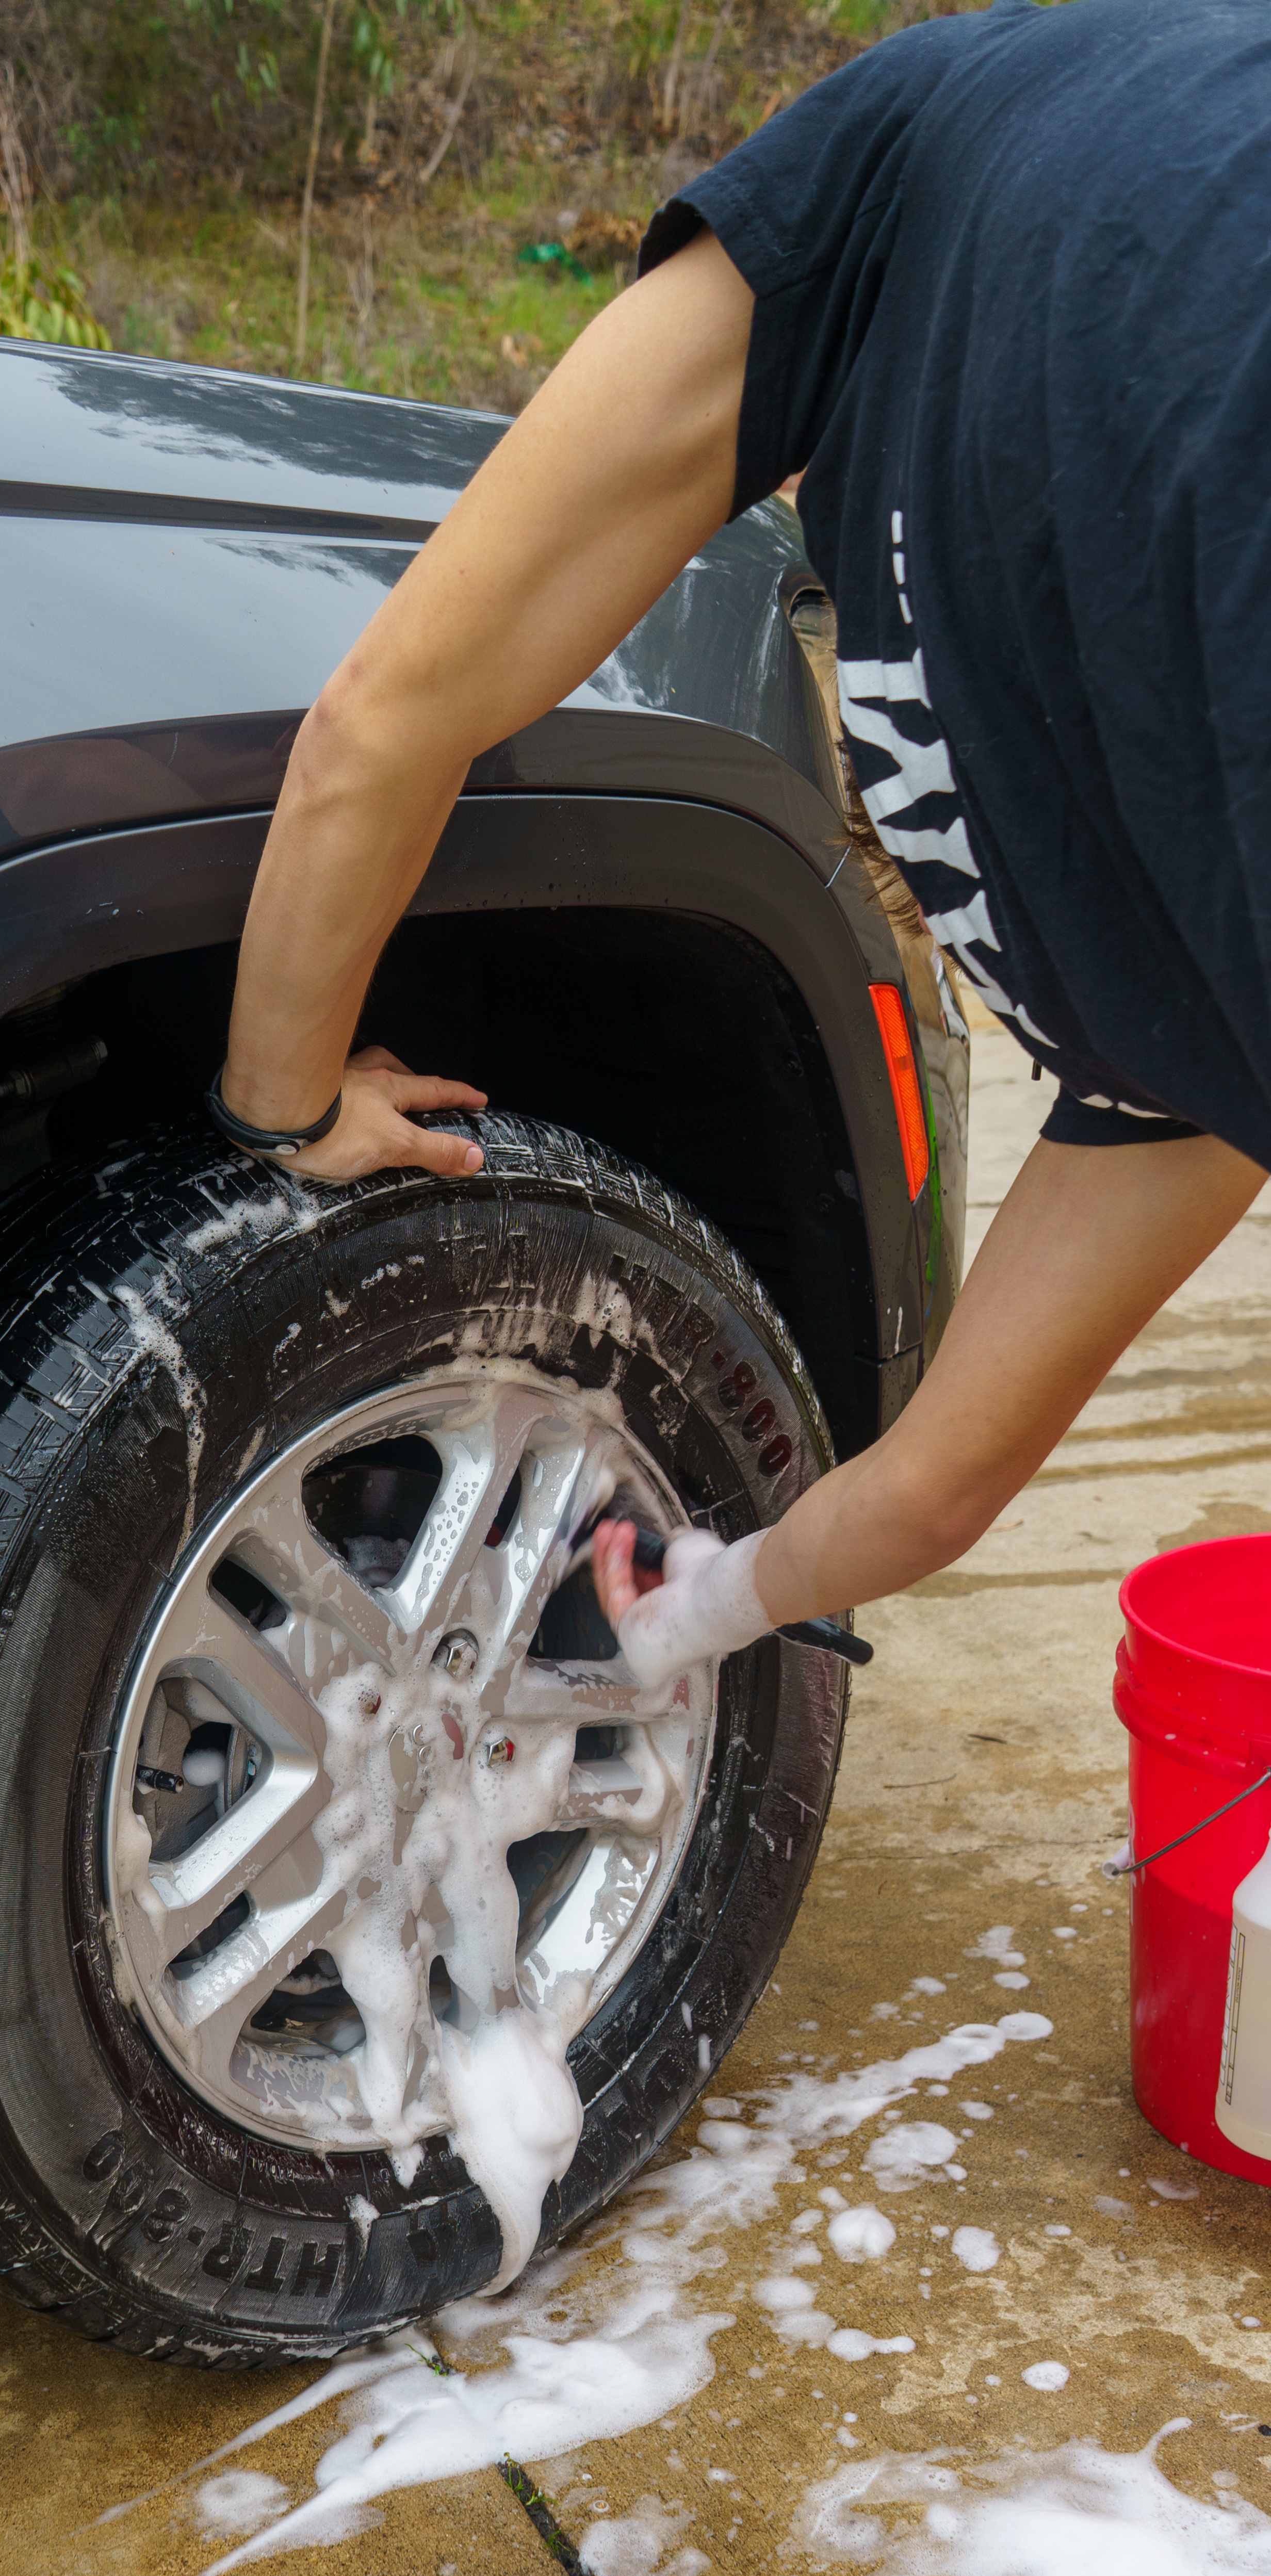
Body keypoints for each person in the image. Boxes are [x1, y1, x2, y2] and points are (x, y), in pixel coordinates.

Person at [212, 0, 1268, 1684]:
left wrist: (282, 1094)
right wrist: (690, 1612)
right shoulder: (1190, 1071)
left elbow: (388, 712)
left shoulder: (955, 115)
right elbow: (929, 1499)